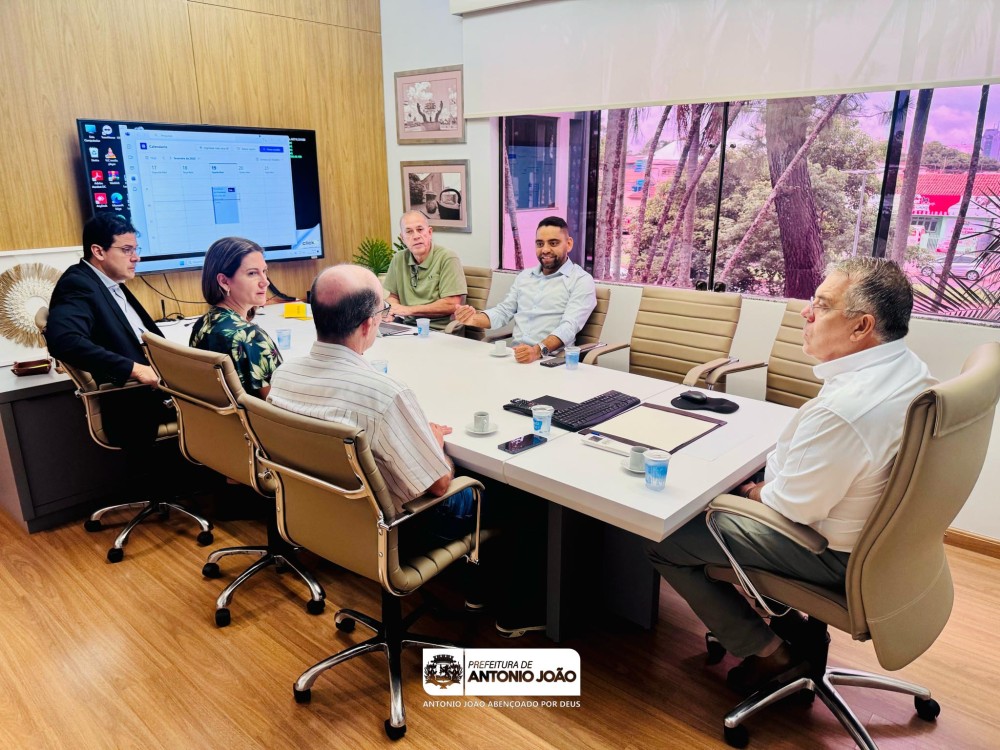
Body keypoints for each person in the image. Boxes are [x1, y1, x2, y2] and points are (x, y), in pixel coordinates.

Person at [647, 257, 936, 696]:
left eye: (822, 304)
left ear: (862, 326)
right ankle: (792, 628)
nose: (805, 312)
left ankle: (768, 653)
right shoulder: (906, 367)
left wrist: (751, 491)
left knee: (665, 537)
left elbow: (791, 506)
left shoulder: (846, 411)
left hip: (829, 551)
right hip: (884, 544)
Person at [267, 264, 473, 530]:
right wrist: (434, 445)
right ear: (367, 324)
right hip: (392, 528)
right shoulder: (385, 395)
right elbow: (439, 485)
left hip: (315, 516)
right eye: (382, 311)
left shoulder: (283, 376)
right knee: (498, 495)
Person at [46, 213, 170, 444]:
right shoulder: (78, 284)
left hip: (160, 385)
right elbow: (64, 341)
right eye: (127, 250)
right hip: (138, 403)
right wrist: (135, 369)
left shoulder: (107, 281)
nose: (136, 257)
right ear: (99, 252)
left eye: (136, 249)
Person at [453, 216, 596, 364]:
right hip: (516, 357)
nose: (545, 249)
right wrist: (473, 319)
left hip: (552, 361)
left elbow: (569, 327)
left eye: (553, 243)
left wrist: (537, 351)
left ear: (569, 244)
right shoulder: (525, 276)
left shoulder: (581, 280)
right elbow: (503, 312)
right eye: (540, 244)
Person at [189, 237, 282, 399]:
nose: (265, 282)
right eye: (252, 273)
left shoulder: (202, 324)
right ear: (224, 281)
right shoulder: (250, 337)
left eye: (264, 271)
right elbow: (280, 404)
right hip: (255, 416)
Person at [383, 211, 467, 329]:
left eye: (420, 229)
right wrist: (392, 311)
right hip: (408, 328)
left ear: (430, 232)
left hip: (440, 330)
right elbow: (393, 296)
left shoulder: (448, 258)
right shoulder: (398, 259)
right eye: (409, 231)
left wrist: (408, 310)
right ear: (402, 238)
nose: (416, 236)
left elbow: (451, 304)